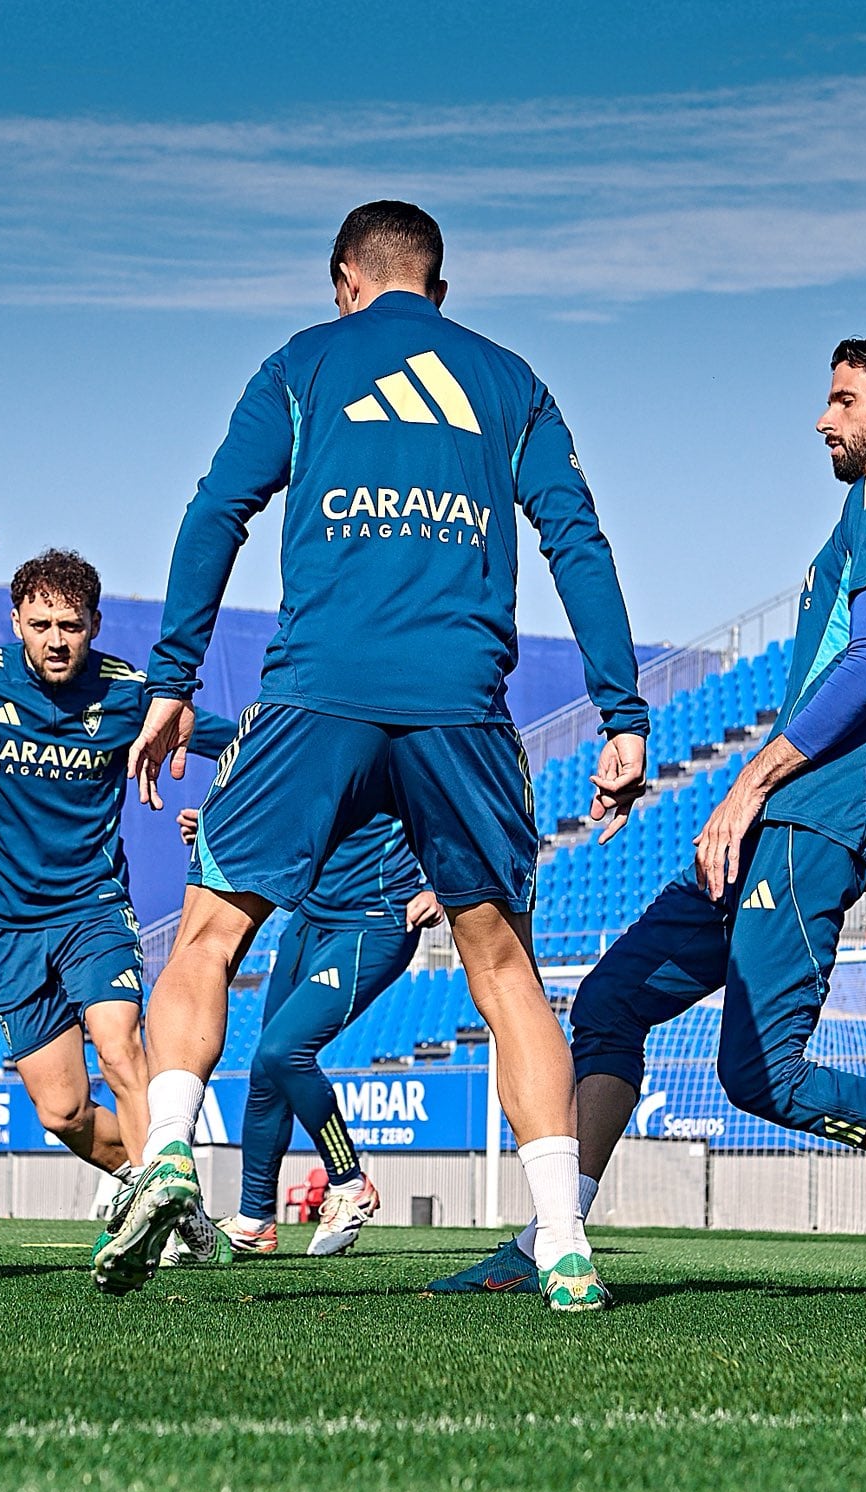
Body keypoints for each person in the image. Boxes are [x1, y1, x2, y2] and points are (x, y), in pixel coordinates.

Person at [432, 332, 866, 1305]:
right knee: (612, 1000)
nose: (822, 419)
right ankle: (544, 1238)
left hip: (802, 822)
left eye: (842, 399)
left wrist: (749, 784)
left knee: (759, 1076)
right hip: (817, 826)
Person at [94, 200, 651, 1310]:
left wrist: (169, 681)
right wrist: (620, 712)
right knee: (503, 972)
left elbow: (216, 514)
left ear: (343, 278)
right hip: (459, 704)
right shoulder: (508, 379)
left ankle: (162, 1153)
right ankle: (562, 1239)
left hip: (316, 693)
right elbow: (575, 539)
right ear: (435, 289)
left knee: (208, 935)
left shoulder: (303, 364)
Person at [0, 549, 239, 1260]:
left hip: (94, 909)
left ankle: (159, 1205)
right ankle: (157, 1193)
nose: (56, 640)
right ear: (17, 622)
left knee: (122, 1045)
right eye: (41, 624)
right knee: (61, 1111)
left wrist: (224, 809)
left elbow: (241, 742)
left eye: (71, 625)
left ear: (94, 625)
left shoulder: (130, 695)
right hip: (9, 928)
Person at [180, 808, 443, 1257]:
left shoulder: (399, 740)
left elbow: (461, 801)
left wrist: (444, 889)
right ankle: (254, 1220)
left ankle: (348, 1182)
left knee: (284, 1052)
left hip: (374, 923)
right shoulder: (307, 741)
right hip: (306, 922)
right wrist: (220, 823)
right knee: (265, 1068)